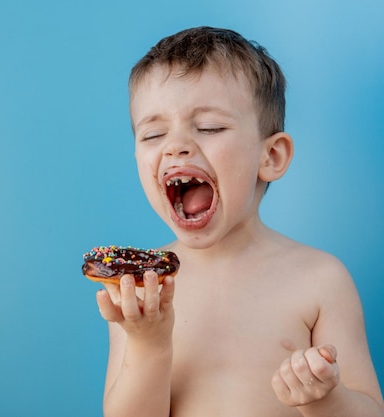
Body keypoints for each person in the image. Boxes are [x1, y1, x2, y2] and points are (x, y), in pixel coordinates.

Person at [94, 26, 383, 417]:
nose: (175, 145)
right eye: (154, 133)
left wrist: (327, 399)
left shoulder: (321, 279)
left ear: (272, 157)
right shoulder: (143, 287)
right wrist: (150, 344)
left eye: (210, 127)